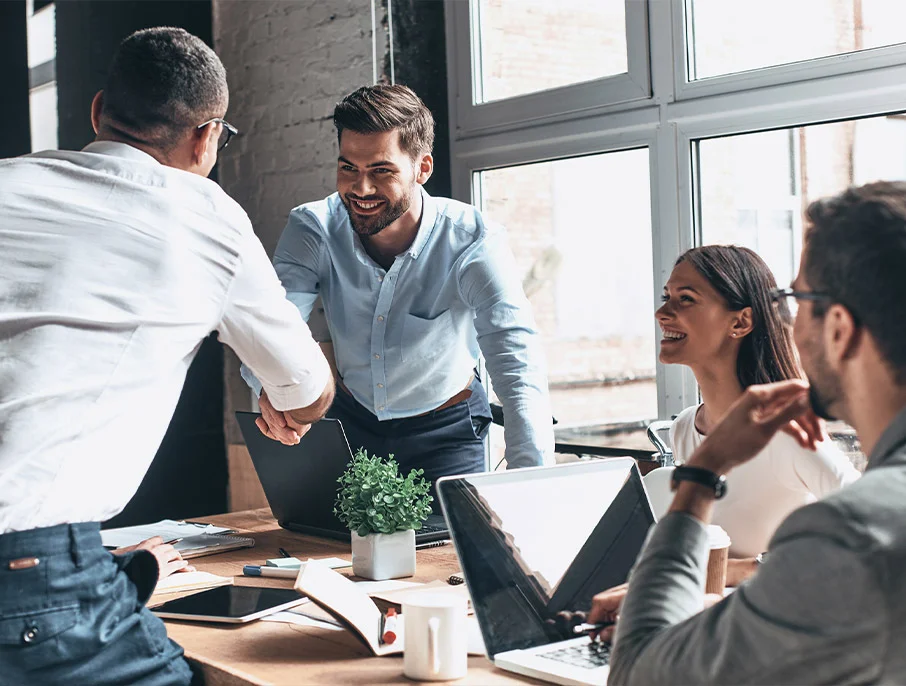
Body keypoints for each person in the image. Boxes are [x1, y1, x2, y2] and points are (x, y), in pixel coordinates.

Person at [0, 28, 334, 684]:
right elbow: (306, 392)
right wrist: (286, 403)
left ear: (99, 111)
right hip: (33, 572)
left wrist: (115, 570)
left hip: (49, 567)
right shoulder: (205, 217)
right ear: (206, 138)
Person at [590, 181, 906, 685]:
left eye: (796, 300)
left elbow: (638, 673)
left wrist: (701, 476)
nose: (787, 322)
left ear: (839, 329)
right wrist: (714, 605)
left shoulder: (850, 531)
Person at [243, 84, 554, 492]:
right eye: (348, 168)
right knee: (319, 533)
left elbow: (517, 362)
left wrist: (533, 483)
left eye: (381, 171)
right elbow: (271, 325)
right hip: (350, 422)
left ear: (422, 169)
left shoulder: (473, 242)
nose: (361, 189)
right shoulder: (314, 228)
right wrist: (271, 390)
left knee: (451, 536)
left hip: (446, 431)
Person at [655, 245, 858, 578]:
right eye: (667, 297)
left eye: (686, 299)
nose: (662, 313)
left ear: (741, 321)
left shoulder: (786, 433)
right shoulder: (685, 427)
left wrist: (738, 569)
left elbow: (875, 528)